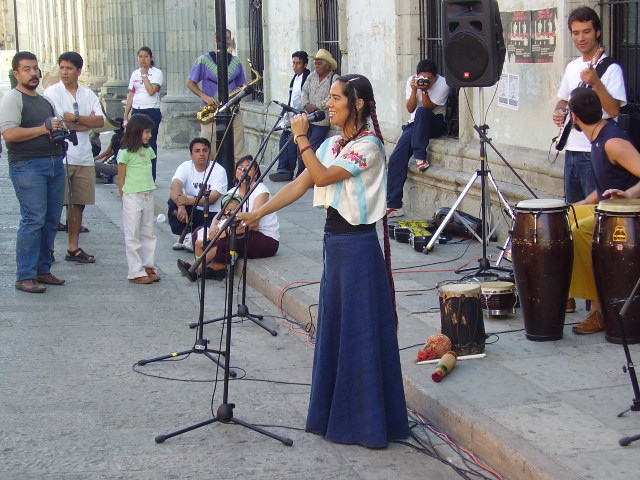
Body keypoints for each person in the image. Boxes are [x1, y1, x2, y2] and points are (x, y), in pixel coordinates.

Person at [238, 75, 409, 448]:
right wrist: (257, 213)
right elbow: (302, 184)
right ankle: (336, 416)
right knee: (336, 331)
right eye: (329, 98)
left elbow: (321, 175)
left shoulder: (370, 146)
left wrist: (300, 137)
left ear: (358, 103)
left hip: (359, 249)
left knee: (359, 334)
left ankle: (365, 424)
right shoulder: (332, 143)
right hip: (335, 245)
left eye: (335, 98)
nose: (328, 104)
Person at [567, 87, 640, 334]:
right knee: (564, 218)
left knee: (582, 231)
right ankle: (564, 293)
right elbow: (603, 189)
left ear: (573, 116)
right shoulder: (597, 138)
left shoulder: (612, 142)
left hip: (629, 217)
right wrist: (576, 206)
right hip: (608, 210)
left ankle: (599, 310)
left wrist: (629, 194)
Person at [0, 51, 66, 293]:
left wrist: (59, 132)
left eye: (35, 69)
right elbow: (9, 134)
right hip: (28, 166)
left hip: (53, 163)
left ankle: (43, 270)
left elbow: (51, 126)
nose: (33, 73)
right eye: (26, 69)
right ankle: (25, 275)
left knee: (50, 220)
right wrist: (42, 129)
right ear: (16, 74)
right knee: (33, 219)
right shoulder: (12, 99)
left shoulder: (44, 100)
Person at [553, 7, 627, 206]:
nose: (581, 38)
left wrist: (596, 83)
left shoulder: (611, 69)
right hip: (571, 150)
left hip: (594, 151)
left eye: (586, 31)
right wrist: (559, 111)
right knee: (574, 213)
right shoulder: (572, 66)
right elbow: (564, 99)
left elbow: (613, 110)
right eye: (576, 33)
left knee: (596, 211)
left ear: (598, 32)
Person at [43, 51, 105, 264]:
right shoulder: (52, 93)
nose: (64, 72)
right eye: (61, 67)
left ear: (79, 71)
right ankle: (48, 248)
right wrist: (82, 122)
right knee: (54, 203)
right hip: (61, 155)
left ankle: (73, 247)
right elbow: (59, 122)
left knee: (79, 203)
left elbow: (100, 122)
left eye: (69, 68)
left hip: (84, 156)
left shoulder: (87, 94)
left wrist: (75, 118)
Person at [178, 155, 279, 281]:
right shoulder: (232, 192)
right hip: (236, 231)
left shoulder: (261, 191)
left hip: (263, 237)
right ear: (236, 173)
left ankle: (198, 266)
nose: (244, 170)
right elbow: (219, 216)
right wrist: (214, 228)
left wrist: (225, 232)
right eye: (240, 167)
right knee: (199, 232)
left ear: (256, 173)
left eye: (248, 167)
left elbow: (254, 224)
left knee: (227, 240)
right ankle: (216, 267)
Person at [386, 59, 449, 218]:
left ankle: (420, 155)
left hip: (435, 122)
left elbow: (429, 108)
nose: (425, 81)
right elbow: (410, 108)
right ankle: (394, 205)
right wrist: (415, 90)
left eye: (429, 79)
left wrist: (425, 91)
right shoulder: (412, 81)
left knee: (422, 112)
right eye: (422, 77)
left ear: (435, 77)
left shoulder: (443, 83)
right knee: (396, 158)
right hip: (414, 125)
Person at [187, 29, 246, 165]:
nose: (227, 41)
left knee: (238, 151)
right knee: (208, 150)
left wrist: (237, 97)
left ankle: (237, 180)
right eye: (224, 38)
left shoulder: (236, 62)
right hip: (211, 110)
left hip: (233, 111)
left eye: (229, 38)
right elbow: (190, 83)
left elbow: (242, 85)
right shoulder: (203, 60)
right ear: (216, 40)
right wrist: (205, 96)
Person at [117, 114, 160, 284]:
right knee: (133, 233)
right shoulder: (125, 152)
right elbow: (121, 177)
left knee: (148, 231)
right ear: (136, 132)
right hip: (132, 195)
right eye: (147, 132)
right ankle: (135, 271)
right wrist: (123, 196)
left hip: (148, 193)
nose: (149, 135)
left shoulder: (148, 150)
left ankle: (148, 264)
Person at [168, 137, 228, 251]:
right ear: (191, 155)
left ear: (209, 153)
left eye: (205, 150)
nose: (201, 154)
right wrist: (181, 205)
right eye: (197, 151)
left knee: (209, 232)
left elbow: (212, 198)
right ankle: (186, 235)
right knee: (172, 201)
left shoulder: (219, 170)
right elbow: (175, 185)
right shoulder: (185, 166)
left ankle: (194, 237)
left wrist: (189, 200)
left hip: (211, 213)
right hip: (192, 210)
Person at [294, 49, 338, 178]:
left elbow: (332, 97)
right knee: (301, 145)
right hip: (308, 118)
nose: (316, 66)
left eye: (319, 64)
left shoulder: (334, 79)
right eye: (316, 63)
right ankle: (301, 174)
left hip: (321, 120)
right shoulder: (311, 76)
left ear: (327, 65)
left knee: (311, 147)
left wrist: (317, 106)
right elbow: (304, 90)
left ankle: (306, 175)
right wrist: (307, 104)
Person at [269, 51, 311, 182]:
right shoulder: (295, 78)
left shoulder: (307, 77)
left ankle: (289, 170)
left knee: (292, 142)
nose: (295, 66)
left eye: (298, 63)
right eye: (293, 63)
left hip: (300, 114)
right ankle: (282, 168)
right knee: (283, 139)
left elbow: (304, 98)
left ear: (305, 64)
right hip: (290, 113)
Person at [123, 47, 163, 181]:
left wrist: (145, 75)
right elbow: (131, 94)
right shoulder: (135, 74)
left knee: (150, 142)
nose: (143, 59)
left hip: (151, 110)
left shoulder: (157, 73)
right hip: (137, 109)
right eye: (140, 56)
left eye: (146, 56)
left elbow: (152, 91)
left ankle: (151, 176)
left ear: (151, 58)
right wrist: (126, 114)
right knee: (135, 142)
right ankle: (137, 173)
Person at [94, 118, 125, 183]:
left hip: (117, 166)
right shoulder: (127, 136)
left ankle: (104, 179)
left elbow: (108, 152)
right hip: (121, 165)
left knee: (94, 165)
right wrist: (102, 161)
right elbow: (111, 153)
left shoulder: (115, 137)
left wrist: (94, 159)